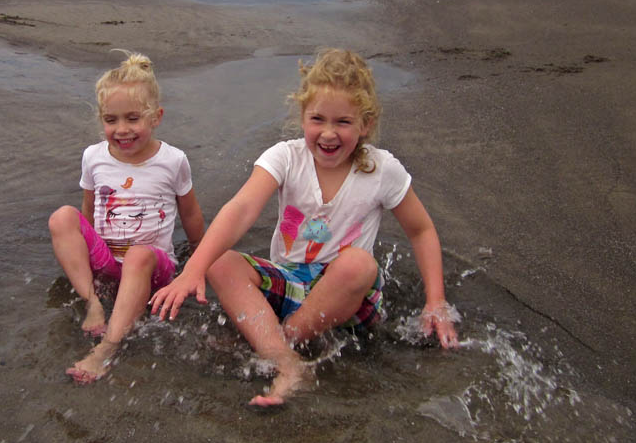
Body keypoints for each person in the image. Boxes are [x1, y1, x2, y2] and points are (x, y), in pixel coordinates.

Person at [151, 48, 458, 406]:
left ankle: (277, 342)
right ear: (302, 117)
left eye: (343, 122)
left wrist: (435, 301)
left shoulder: (381, 170)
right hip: (290, 285)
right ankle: (290, 364)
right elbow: (242, 208)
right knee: (219, 262)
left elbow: (421, 230)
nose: (328, 133)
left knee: (358, 263)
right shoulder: (285, 157)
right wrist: (194, 269)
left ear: (365, 124)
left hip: (347, 300)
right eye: (318, 119)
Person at [50, 50, 205, 383]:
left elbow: (190, 212)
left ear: (156, 117)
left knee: (137, 254)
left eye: (133, 118)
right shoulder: (93, 157)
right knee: (63, 216)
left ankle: (107, 348)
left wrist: (199, 263)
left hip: (151, 268)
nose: (122, 130)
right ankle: (92, 301)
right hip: (108, 264)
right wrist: (86, 252)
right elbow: (88, 209)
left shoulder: (172, 160)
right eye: (111, 120)